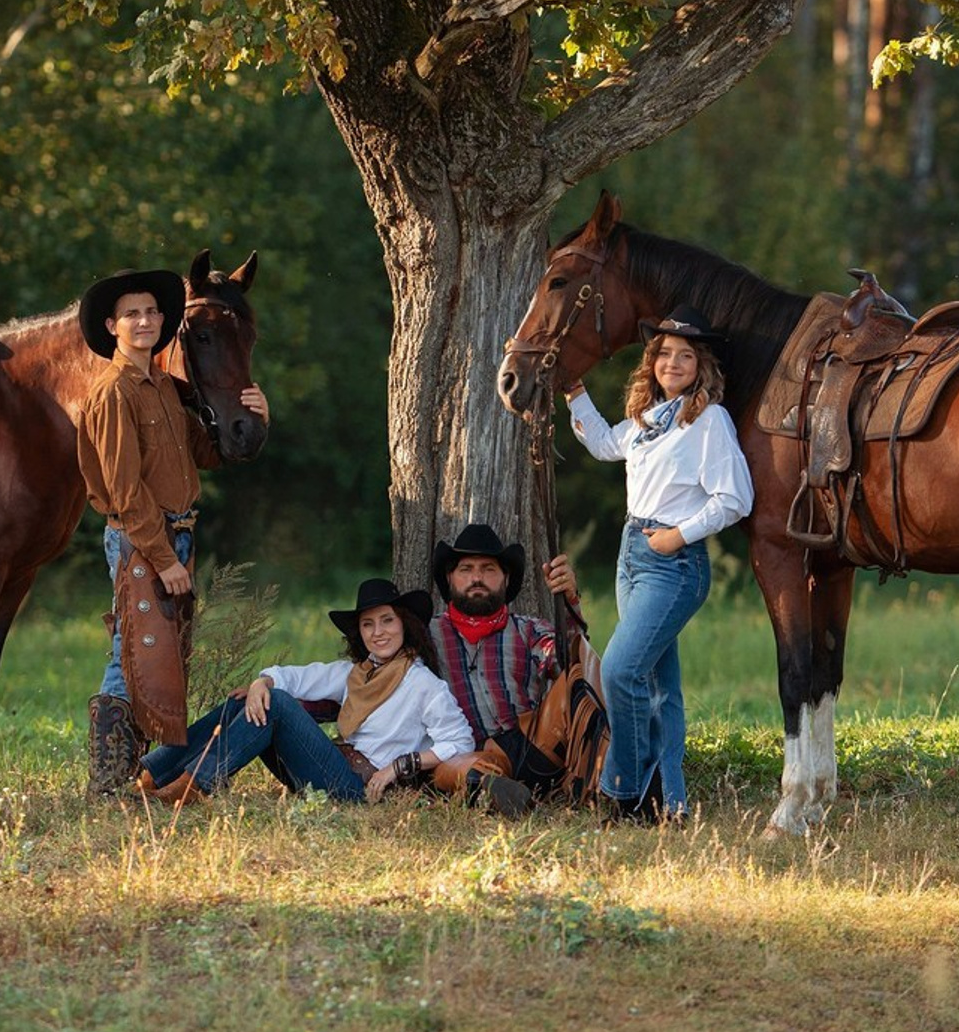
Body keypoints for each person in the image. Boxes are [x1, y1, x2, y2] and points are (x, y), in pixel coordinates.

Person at [76, 266, 270, 797]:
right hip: (145, 537)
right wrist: (162, 557)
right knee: (130, 653)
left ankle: (131, 773)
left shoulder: (163, 387)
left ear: (164, 321)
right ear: (113, 326)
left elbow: (204, 454)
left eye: (152, 312)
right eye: (131, 314)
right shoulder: (114, 392)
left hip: (176, 533)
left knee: (158, 657)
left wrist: (259, 416)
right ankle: (108, 784)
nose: (144, 321)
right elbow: (124, 489)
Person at [564, 304, 753, 823]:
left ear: (701, 366)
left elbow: (735, 497)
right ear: (652, 362)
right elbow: (604, 445)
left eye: (685, 355)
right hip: (632, 557)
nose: (672, 362)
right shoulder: (651, 420)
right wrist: (574, 392)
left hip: (674, 564)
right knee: (657, 686)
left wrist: (677, 535)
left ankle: (622, 790)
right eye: (664, 353)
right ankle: (669, 802)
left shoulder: (708, 419)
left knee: (621, 671)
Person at [136, 578, 474, 805]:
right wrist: (260, 683)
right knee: (245, 700)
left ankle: (194, 786)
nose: (378, 632)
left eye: (387, 621)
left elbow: (460, 741)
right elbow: (293, 678)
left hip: (354, 788)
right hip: (328, 768)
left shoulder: (424, 684)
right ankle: (151, 776)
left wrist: (399, 766)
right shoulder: (355, 675)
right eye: (368, 624)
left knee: (277, 704)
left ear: (404, 624)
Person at [426, 522, 600, 816]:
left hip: (535, 743)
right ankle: (504, 794)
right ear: (450, 578)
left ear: (505, 578)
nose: (477, 578)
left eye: (488, 569)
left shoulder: (529, 629)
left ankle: (604, 783)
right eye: (466, 569)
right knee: (451, 769)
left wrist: (569, 599)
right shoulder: (427, 637)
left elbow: (565, 659)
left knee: (576, 677)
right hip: (475, 752)